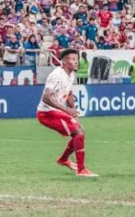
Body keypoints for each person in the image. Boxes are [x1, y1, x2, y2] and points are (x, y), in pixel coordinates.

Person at [36, 49, 98, 177]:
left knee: (80, 132)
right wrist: (66, 110)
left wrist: (73, 110)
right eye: (72, 59)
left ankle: (63, 160)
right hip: (46, 113)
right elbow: (46, 97)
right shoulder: (56, 75)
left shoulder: (70, 75)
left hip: (56, 111)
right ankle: (81, 170)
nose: (76, 62)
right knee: (79, 132)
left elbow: (68, 92)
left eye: (77, 59)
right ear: (64, 62)